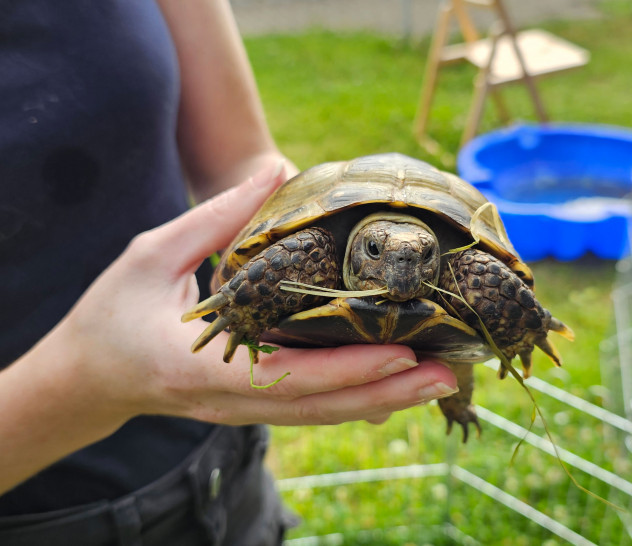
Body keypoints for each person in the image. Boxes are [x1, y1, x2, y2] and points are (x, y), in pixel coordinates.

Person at [0, 1, 459, 544]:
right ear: (360, 252)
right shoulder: (310, 255)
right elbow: (284, 258)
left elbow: (240, 160)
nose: (404, 263)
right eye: (378, 251)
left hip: (228, 476)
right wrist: (87, 383)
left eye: (421, 255)